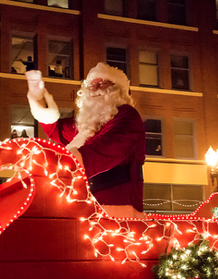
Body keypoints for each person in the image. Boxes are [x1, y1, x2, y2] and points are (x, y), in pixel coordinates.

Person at [26, 63, 146, 218]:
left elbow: (106, 148)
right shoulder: (86, 126)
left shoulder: (127, 116)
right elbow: (55, 129)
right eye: (91, 84)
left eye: (102, 83)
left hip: (117, 204)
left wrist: (58, 165)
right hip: (84, 206)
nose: (95, 88)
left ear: (116, 90)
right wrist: (38, 97)